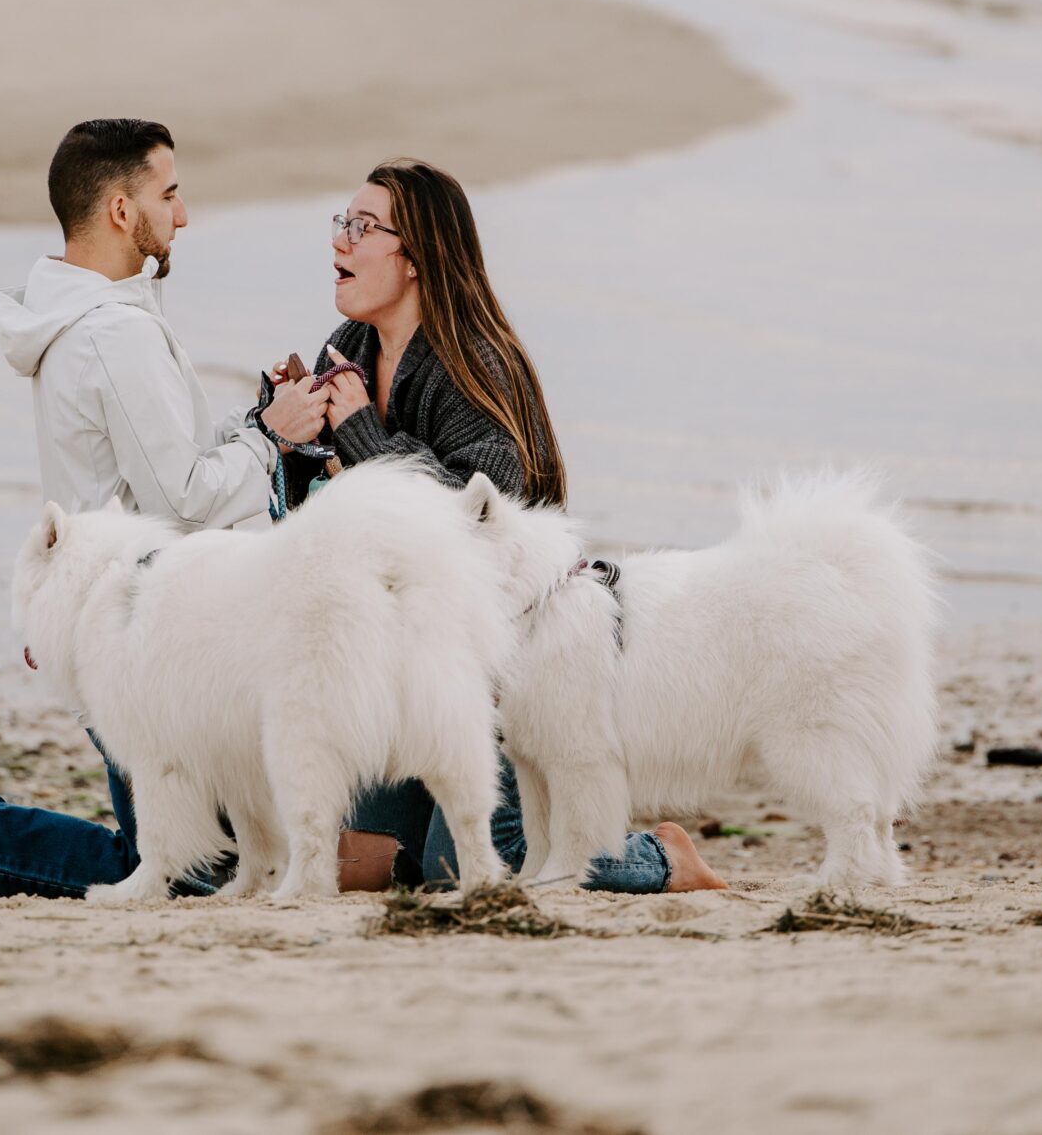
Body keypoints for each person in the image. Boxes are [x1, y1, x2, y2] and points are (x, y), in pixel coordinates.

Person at [0, 118, 333, 901]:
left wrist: (254, 423)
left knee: (198, 861)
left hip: (121, 613)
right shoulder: (113, 332)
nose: (183, 214)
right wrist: (272, 438)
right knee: (184, 873)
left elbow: (157, 471)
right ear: (120, 209)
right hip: (145, 634)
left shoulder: (88, 313)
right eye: (169, 194)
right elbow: (182, 500)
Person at [284, 158, 726, 895]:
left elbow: (478, 526)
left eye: (364, 227)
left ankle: (663, 855)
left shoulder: (475, 364)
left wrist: (358, 432)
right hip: (414, 668)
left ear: (416, 256)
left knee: (457, 868)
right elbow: (327, 522)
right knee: (358, 863)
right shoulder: (352, 349)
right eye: (343, 222)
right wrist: (289, 442)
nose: (341, 241)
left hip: (511, 672)